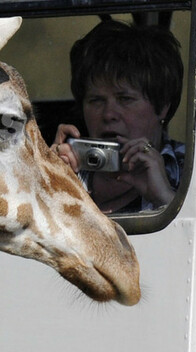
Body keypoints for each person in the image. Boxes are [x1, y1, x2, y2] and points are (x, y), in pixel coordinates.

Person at [51, 19, 184, 214]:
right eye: (96, 100)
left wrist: (164, 199)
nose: (108, 114)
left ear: (162, 105)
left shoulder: (195, 169)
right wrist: (48, 178)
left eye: (125, 99)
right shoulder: (65, 168)